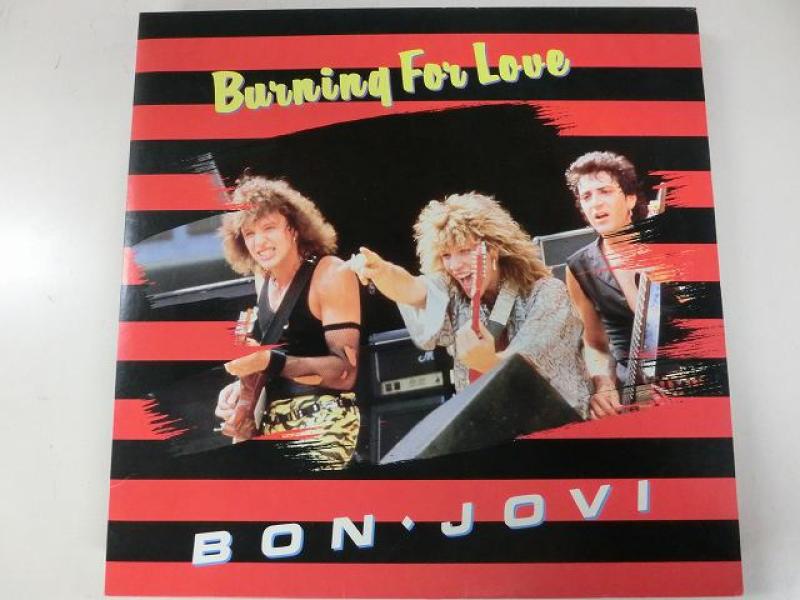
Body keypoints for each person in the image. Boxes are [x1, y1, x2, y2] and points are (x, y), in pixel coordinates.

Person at [350, 192, 591, 417]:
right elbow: (412, 289)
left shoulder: (548, 293)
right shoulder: (453, 292)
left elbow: (526, 369)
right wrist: (381, 271)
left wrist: (486, 361)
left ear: (494, 250)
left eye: (465, 251)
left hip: (555, 423)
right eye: (446, 255)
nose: (455, 265)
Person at [214, 176, 361, 468]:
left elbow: (345, 373)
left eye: (269, 228)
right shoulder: (262, 279)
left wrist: (268, 361)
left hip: (325, 420)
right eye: (250, 233)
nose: (260, 242)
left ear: (293, 229)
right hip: (272, 420)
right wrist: (240, 392)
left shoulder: (331, 273)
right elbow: (267, 364)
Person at [563, 151, 651, 419]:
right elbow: (595, 344)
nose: (596, 203)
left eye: (605, 191)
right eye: (587, 196)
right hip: (634, 389)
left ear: (630, 198)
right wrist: (602, 384)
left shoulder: (667, 249)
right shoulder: (579, 267)